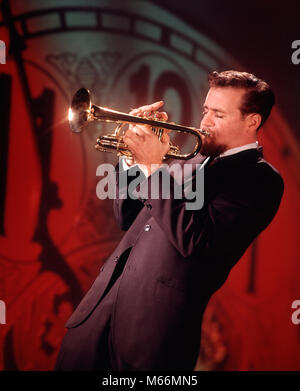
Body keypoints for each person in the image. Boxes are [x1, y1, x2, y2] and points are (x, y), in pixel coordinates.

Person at [55, 70, 284, 371]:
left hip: (154, 339)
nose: (205, 122)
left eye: (218, 114)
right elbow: (126, 216)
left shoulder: (259, 178)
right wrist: (132, 158)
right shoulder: (187, 161)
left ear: (251, 121)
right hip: (96, 317)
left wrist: (152, 167)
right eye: (205, 111)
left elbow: (196, 240)